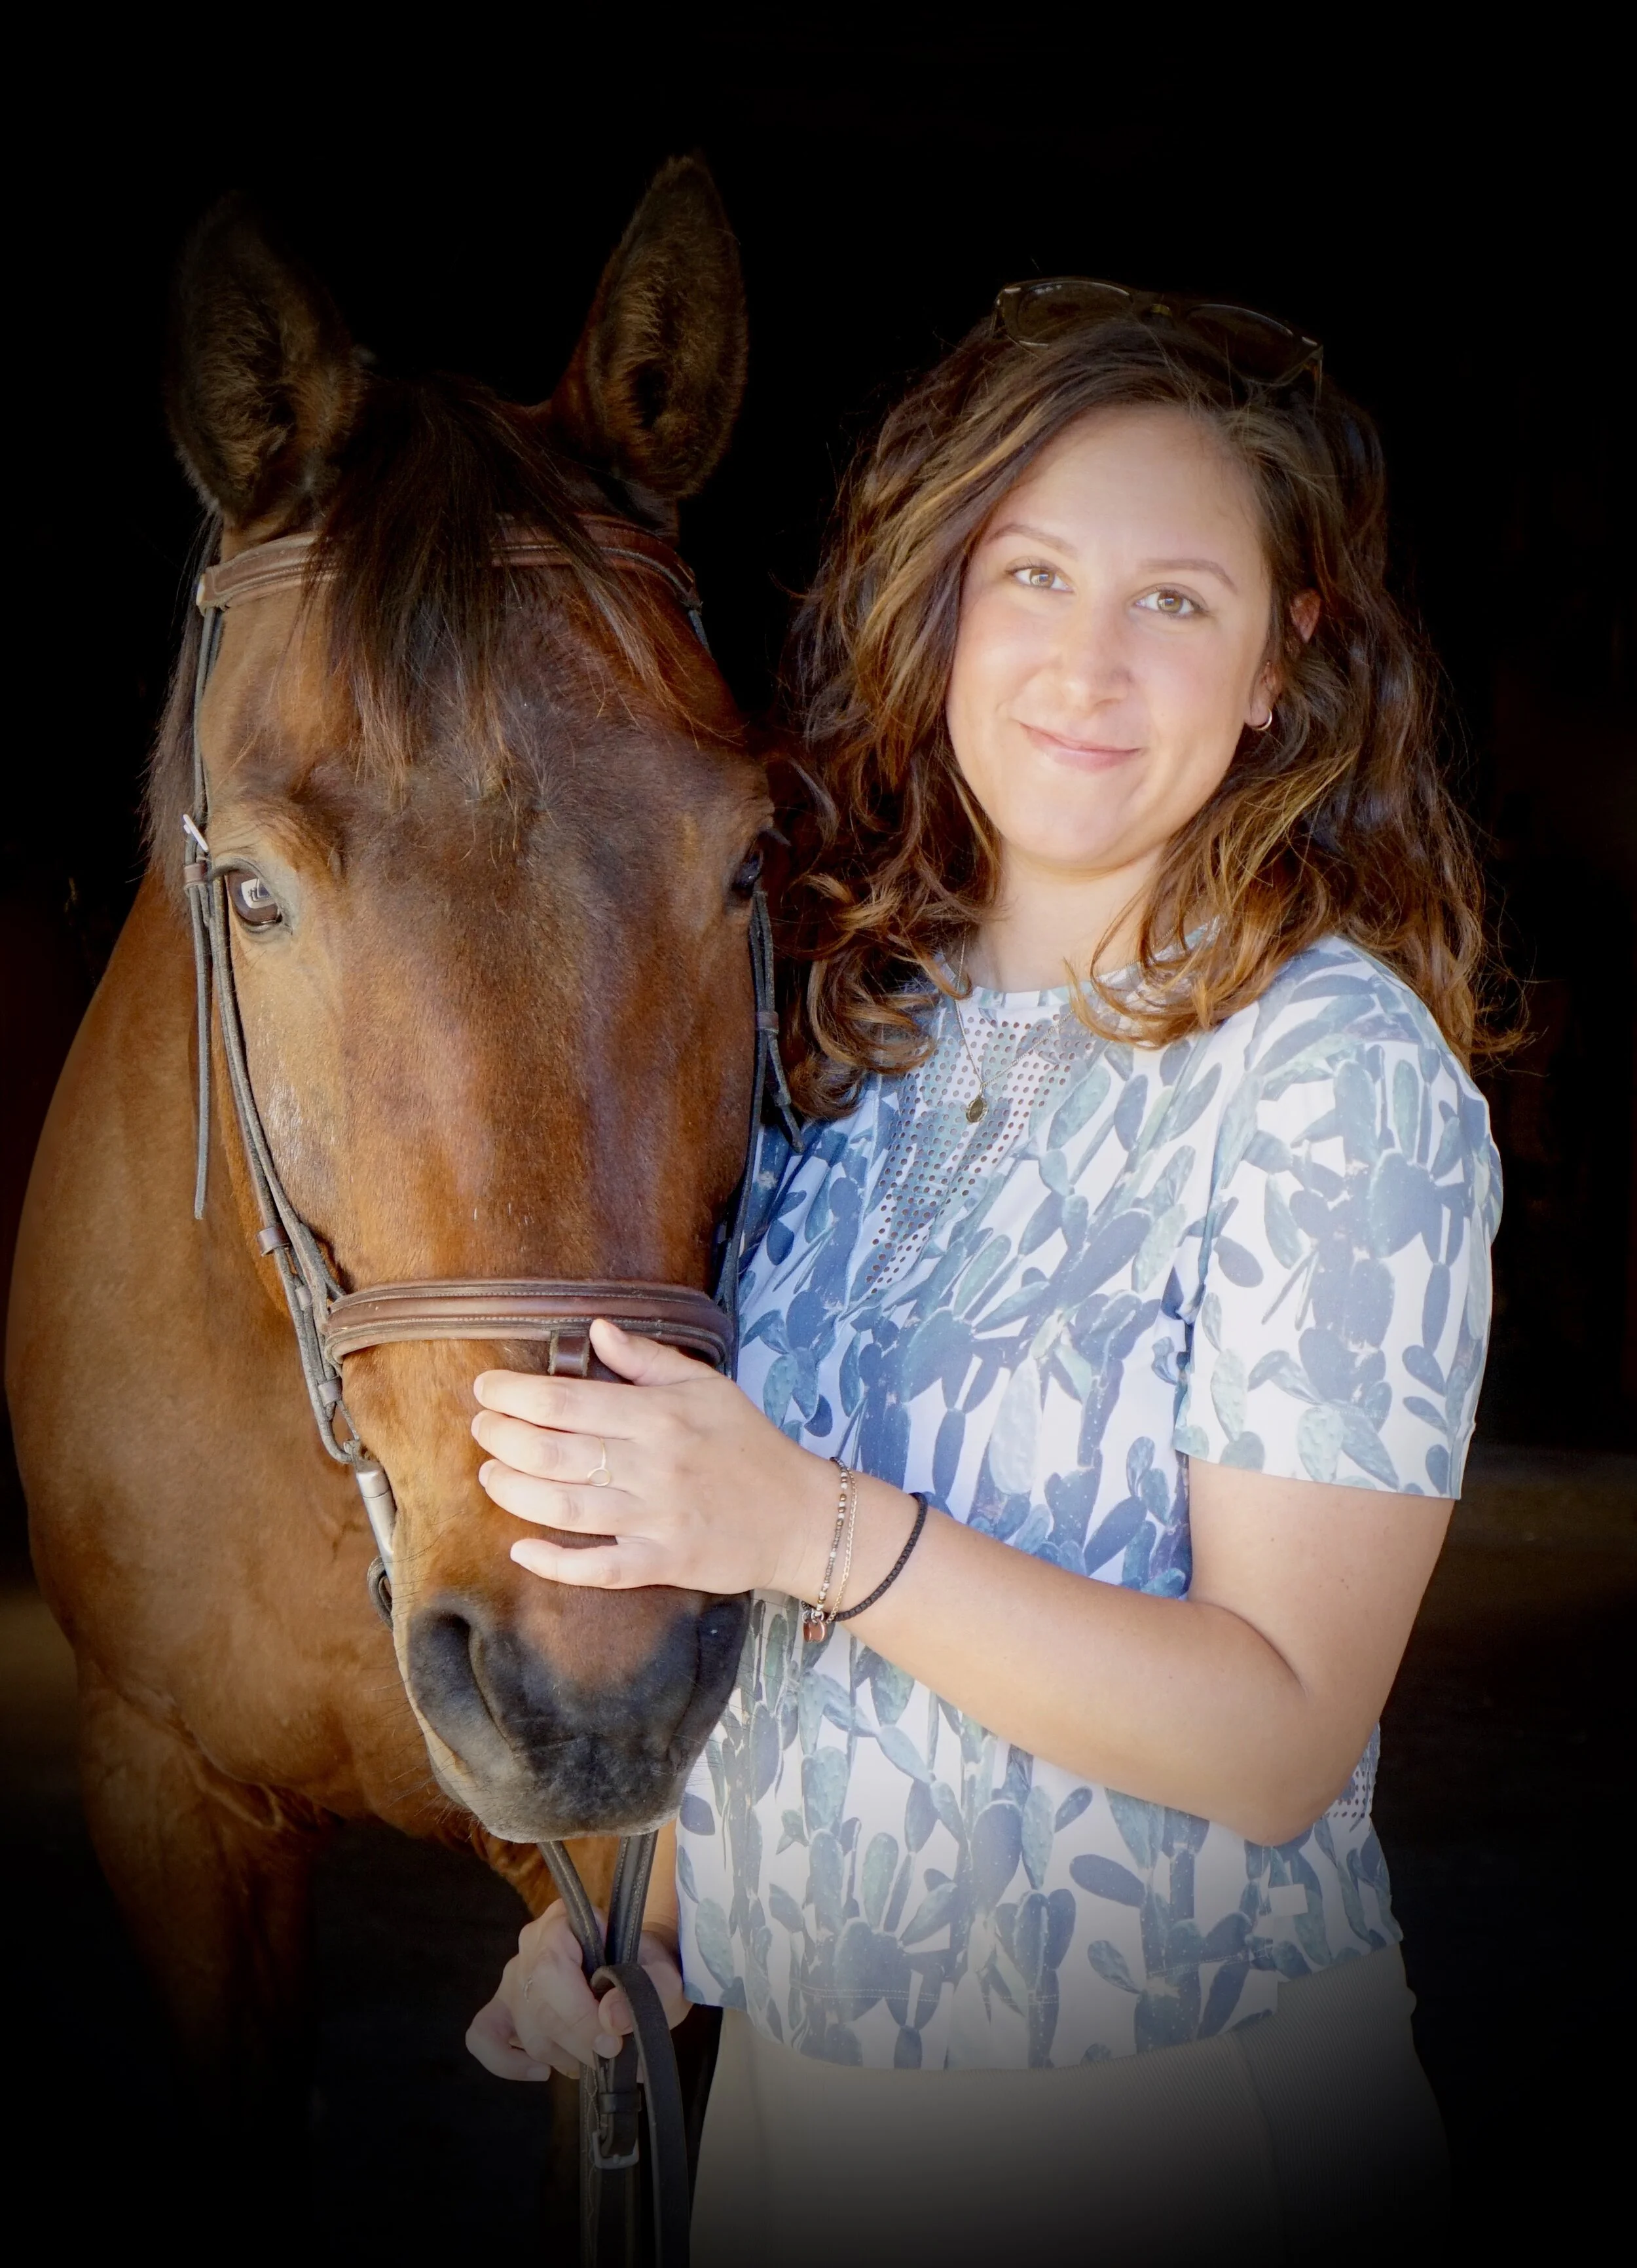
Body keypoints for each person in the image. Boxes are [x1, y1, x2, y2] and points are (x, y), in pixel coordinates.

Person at [464, 278, 1501, 2261]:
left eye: (1173, 599)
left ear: (1281, 662)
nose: (1085, 662)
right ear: (945, 604)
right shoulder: (852, 1042)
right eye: (1030, 574)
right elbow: (785, 1644)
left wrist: (809, 1519)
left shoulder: (1328, 1072)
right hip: (795, 2118)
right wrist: (646, 1920)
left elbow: (1275, 1731)